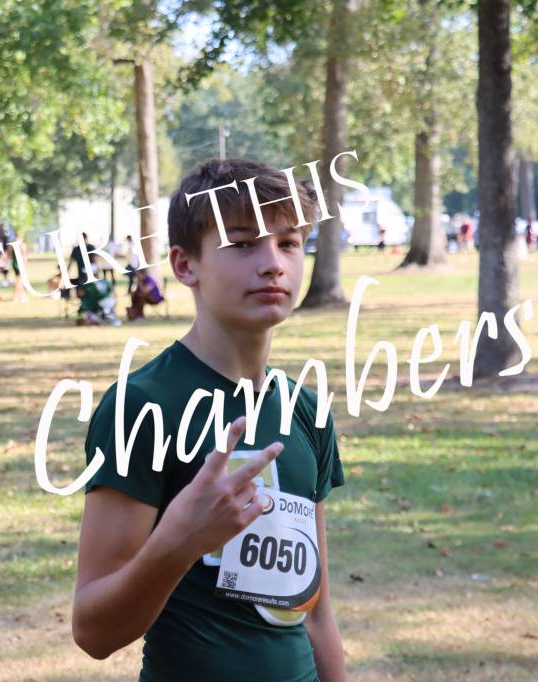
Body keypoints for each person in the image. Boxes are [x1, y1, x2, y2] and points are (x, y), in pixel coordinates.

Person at [73, 159, 346, 681]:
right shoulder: (142, 406)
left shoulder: (306, 411)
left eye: (289, 243)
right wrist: (179, 540)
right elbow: (94, 632)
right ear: (185, 265)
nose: (273, 264)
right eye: (242, 243)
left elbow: (315, 615)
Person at [76, 255, 120, 326]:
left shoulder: (96, 283)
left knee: (103, 311)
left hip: (99, 306)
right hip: (99, 306)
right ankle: (106, 317)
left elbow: (110, 293)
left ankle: (106, 317)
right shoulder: (100, 282)